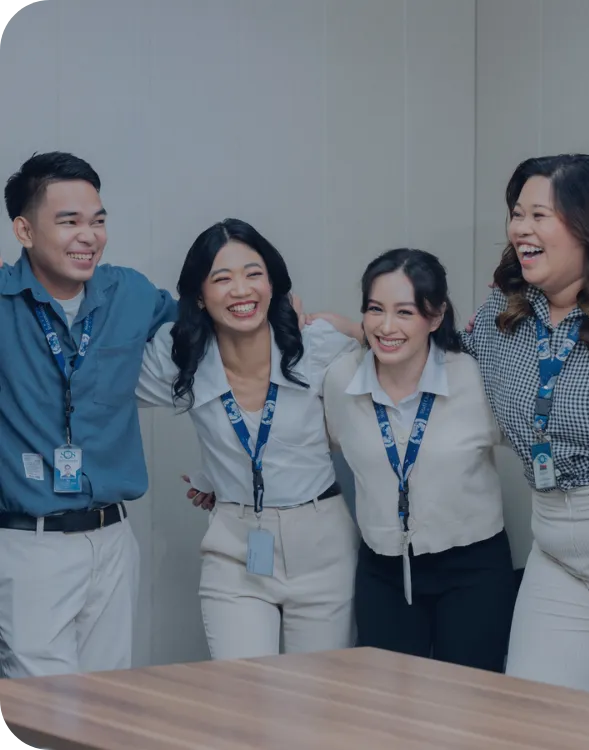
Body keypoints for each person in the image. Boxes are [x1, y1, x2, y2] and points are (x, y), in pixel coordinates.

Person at [462, 154, 589, 702]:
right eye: (517, 214)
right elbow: (439, 365)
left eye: (539, 215)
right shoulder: (505, 314)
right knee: (535, 718)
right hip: (553, 552)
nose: (521, 229)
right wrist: (355, 331)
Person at [135, 219, 360, 660]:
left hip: (322, 547)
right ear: (199, 295)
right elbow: (99, 387)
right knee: (240, 700)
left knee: (318, 706)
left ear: (272, 283)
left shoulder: (314, 343)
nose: (241, 290)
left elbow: (397, 355)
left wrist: (350, 327)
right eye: (222, 278)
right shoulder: (179, 354)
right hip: (235, 548)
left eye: (253, 274)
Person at [0, 152, 177, 678]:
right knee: (43, 709)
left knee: (108, 701)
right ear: (25, 229)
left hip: (114, 538)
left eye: (98, 221)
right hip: (28, 543)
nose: (89, 236)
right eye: (69, 221)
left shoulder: (132, 293)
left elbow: (211, 327)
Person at [316, 248, 515, 672]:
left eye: (405, 312)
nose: (386, 327)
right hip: (383, 569)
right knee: (387, 715)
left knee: (468, 711)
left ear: (436, 317)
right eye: (375, 309)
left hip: (472, 569)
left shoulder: (473, 378)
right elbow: (324, 444)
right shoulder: (340, 380)